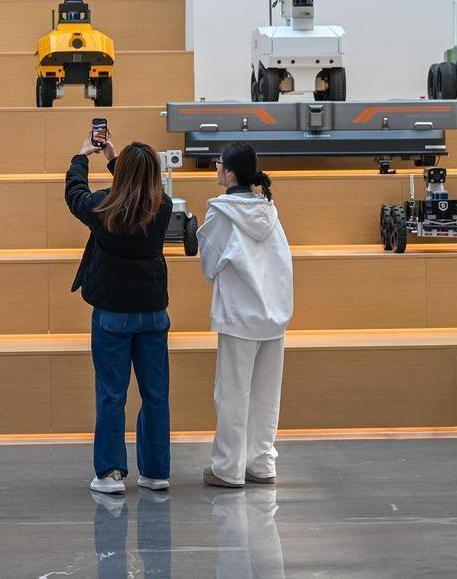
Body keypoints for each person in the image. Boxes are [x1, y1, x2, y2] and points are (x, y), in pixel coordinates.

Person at [66, 127, 173, 495]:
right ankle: (156, 472)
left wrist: (83, 156)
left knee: (112, 394)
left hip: (112, 313)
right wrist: (115, 160)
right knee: (155, 394)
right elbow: (138, 188)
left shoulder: (103, 207)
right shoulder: (163, 207)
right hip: (153, 312)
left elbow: (75, 195)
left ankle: (111, 473)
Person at [197, 142, 293, 488]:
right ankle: (261, 464)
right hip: (274, 316)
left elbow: (209, 267)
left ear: (230, 173)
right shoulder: (270, 212)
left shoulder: (221, 214)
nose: (216, 168)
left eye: (218, 163)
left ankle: (228, 468)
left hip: (239, 316)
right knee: (266, 396)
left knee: (232, 395)